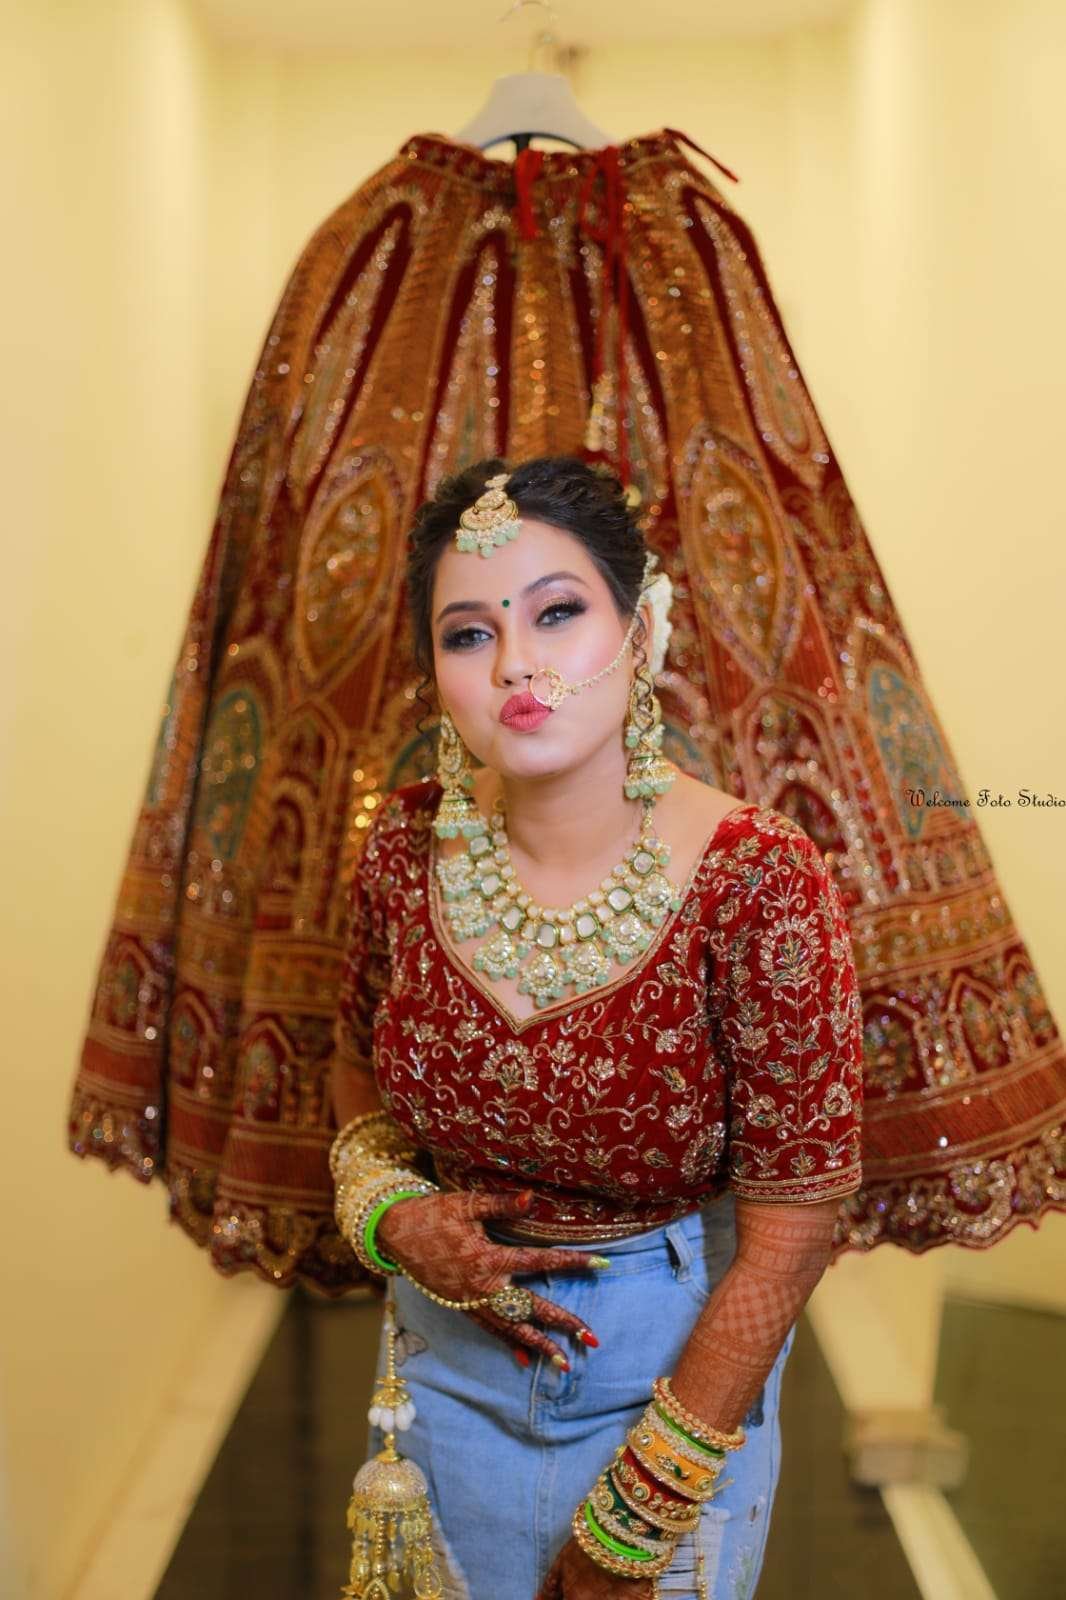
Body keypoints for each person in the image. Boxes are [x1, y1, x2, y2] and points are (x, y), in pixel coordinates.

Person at [328, 456, 865, 1600]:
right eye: (468, 634)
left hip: (672, 1380)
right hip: (440, 1376)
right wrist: (389, 1212)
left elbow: (794, 1223)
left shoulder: (756, 879)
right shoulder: (404, 848)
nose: (515, 664)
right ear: (434, 672)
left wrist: (646, 1503)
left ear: (642, 629)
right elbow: (350, 1066)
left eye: (557, 612)